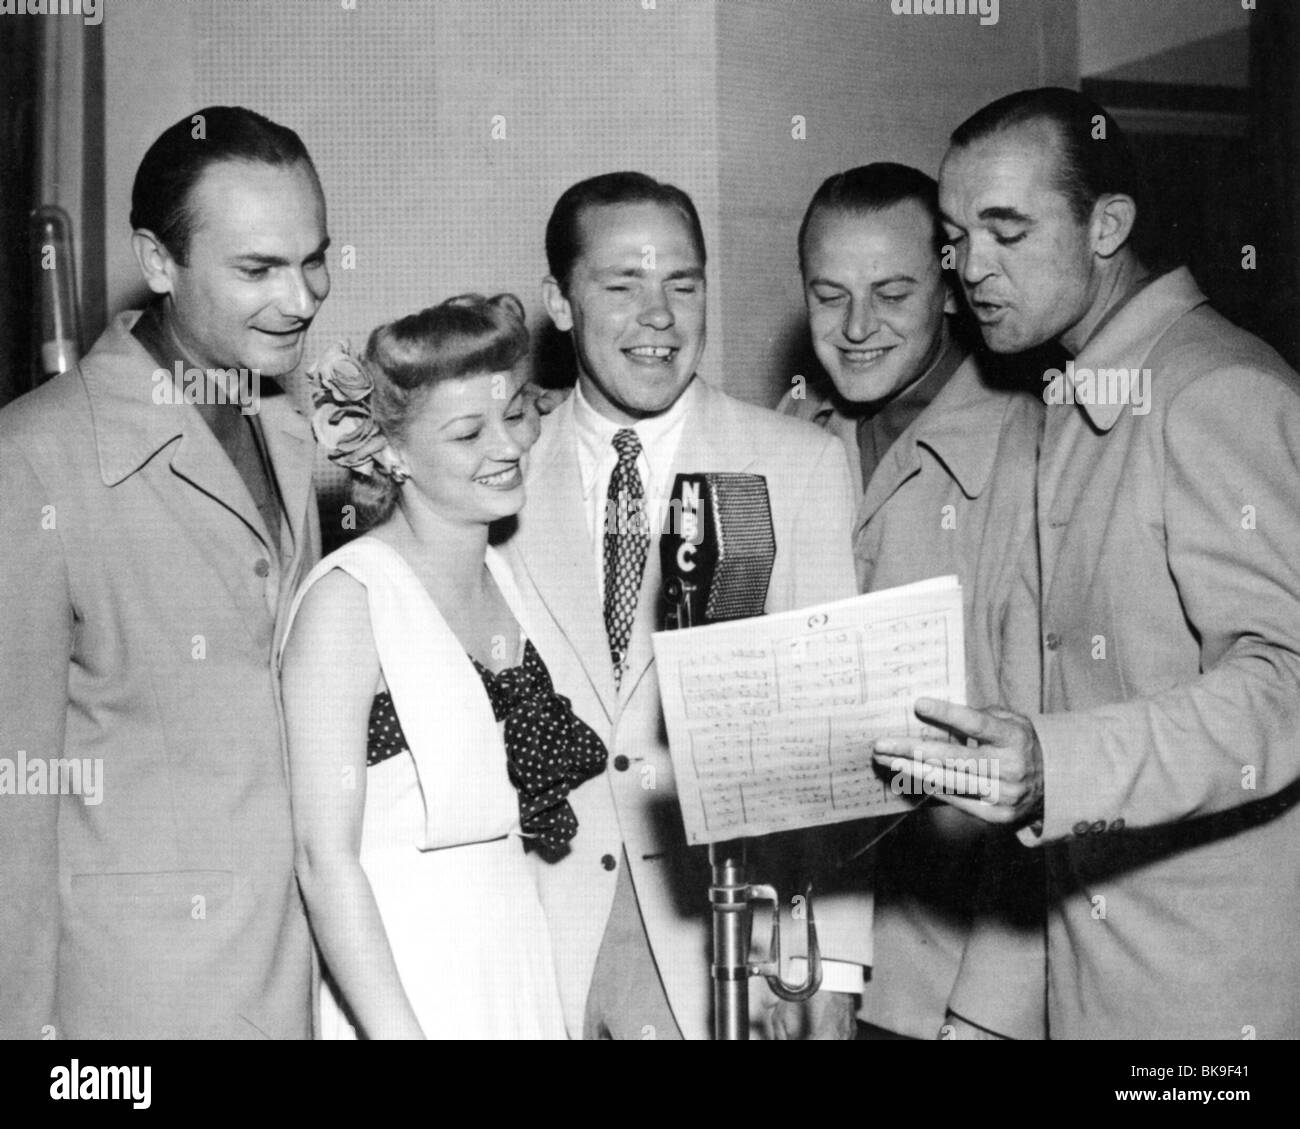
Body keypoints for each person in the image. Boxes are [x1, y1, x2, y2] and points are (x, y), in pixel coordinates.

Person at [876, 86, 1300, 1039]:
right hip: (1094, 985)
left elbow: (1289, 684)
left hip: (1212, 998)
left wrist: (1050, 764)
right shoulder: (1075, 396)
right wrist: (986, 1016)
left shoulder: (1216, 390)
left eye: (1006, 232)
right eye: (955, 236)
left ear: (1108, 224)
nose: (967, 270)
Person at [501, 171, 871, 1040]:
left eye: (683, 283)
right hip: (532, 931)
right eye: (622, 285)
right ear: (560, 301)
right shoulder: (497, 469)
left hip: (723, 934)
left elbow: (834, 732)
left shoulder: (798, 463)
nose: (659, 315)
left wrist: (828, 960)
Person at [0, 106, 329, 1038]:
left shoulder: (291, 433)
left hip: (294, 989)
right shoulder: (33, 460)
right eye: (258, 268)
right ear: (157, 263)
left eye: (314, 259)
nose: (301, 298)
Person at [279, 294, 602, 1039]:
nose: (508, 447)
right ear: (391, 452)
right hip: (403, 988)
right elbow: (322, 861)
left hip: (514, 970)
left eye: (515, 413)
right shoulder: (349, 599)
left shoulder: (507, 574)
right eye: (467, 432)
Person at [779, 163, 1045, 1041]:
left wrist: (991, 1016)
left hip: (952, 981)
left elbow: (1057, 754)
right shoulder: (788, 446)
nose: (857, 328)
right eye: (830, 295)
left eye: (892, 292)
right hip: (810, 965)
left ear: (951, 290)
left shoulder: (1032, 454)